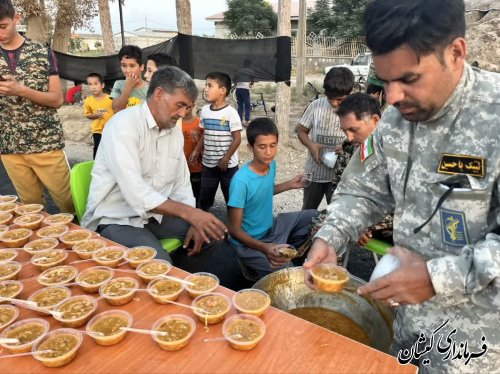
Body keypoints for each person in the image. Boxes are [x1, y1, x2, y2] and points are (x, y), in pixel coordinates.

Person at [304, 0, 499, 372]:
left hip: (476, 350)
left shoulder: (494, 115)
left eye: (408, 79)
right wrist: (330, 237)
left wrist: (436, 277)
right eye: (384, 81)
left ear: (456, 52)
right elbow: (362, 189)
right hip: (409, 332)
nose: (391, 98)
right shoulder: (395, 121)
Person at [81, 66, 227, 263]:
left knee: (214, 234)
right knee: (159, 266)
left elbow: (181, 183)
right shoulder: (123, 125)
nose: (183, 114)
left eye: (188, 107)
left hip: (155, 215)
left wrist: (192, 218)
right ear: (159, 94)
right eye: (180, 105)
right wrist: (189, 213)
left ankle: (191, 281)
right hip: (117, 217)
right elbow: (136, 194)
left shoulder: (173, 129)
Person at [0, 0, 74, 213]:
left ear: (16, 19)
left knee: (71, 204)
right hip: (10, 147)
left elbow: (57, 99)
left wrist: (20, 90)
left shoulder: (42, 52)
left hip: (45, 143)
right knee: (31, 210)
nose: (0, 33)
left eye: (3, 26)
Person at [227, 117, 315, 279]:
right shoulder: (241, 181)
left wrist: (290, 184)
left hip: (272, 228)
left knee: (315, 216)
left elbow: (264, 191)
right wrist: (265, 248)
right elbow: (233, 230)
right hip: (249, 242)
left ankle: (280, 251)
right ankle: (257, 261)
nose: (269, 152)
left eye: (273, 145)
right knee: (287, 276)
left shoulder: (271, 165)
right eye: (262, 147)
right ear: (250, 147)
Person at [296, 67, 354, 210]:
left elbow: (364, 138)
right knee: (307, 212)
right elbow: (301, 131)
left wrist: (347, 147)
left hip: (340, 176)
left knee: (337, 214)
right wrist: (311, 145)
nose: (334, 103)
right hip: (315, 172)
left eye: (339, 100)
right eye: (330, 98)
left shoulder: (355, 109)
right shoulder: (316, 106)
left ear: (349, 93)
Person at [193, 71, 242, 212]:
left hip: (228, 167)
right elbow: (205, 134)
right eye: (205, 85)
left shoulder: (231, 113)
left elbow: (237, 138)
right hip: (208, 165)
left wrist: (226, 158)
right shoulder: (205, 111)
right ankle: (203, 224)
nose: (205, 89)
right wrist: (197, 150)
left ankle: (234, 227)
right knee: (205, 198)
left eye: (209, 85)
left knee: (232, 199)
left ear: (222, 91)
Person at [83, 73, 113, 159]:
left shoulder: (111, 99)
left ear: (102, 85)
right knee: (98, 149)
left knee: (111, 150)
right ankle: (96, 167)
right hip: (98, 131)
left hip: (111, 130)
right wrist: (94, 115)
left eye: (96, 84)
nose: (93, 87)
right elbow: (88, 115)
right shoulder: (88, 101)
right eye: (90, 84)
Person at [110, 45, 148, 113]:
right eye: (123, 65)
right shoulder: (119, 84)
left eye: (132, 66)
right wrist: (128, 87)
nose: (127, 70)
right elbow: (116, 110)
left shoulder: (150, 87)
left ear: (141, 67)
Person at [182, 106, 203, 206]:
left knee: (196, 192)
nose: (185, 109)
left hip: (196, 167)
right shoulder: (175, 123)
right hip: (180, 167)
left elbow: (204, 140)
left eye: (188, 106)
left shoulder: (199, 123)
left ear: (193, 105)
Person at [233, 59, 254, 126]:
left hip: (238, 90)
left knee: (240, 106)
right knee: (247, 106)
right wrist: (251, 83)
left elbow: (234, 79)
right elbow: (253, 79)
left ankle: (240, 120)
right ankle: (247, 121)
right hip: (245, 90)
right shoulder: (250, 71)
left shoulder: (239, 71)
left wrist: (236, 84)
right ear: (249, 65)